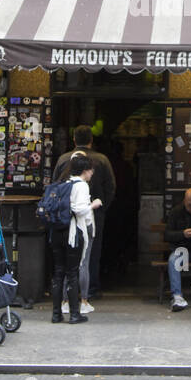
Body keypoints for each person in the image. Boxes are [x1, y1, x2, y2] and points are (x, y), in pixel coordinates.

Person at [52, 125, 116, 299]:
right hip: (92, 214)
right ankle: (90, 290)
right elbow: (110, 188)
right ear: (91, 140)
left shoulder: (63, 159)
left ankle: (68, 293)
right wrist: (102, 208)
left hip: (67, 215)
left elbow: (55, 187)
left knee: (68, 253)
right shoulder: (102, 159)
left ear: (74, 139)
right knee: (91, 252)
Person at [51, 153, 100, 324]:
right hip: (72, 232)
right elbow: (79, 210)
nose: (92, 173)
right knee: (72, 272)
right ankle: (74, 314)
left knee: (58, 272)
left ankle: (56, 314)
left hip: (57, 232)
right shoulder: (81, 186)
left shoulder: (64, 183)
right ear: (85, 170)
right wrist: (93, 204)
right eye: (91, 170)